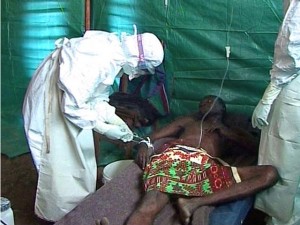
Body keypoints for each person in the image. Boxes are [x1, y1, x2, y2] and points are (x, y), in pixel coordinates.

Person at [22, 29, 164, 222]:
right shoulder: (99, 57)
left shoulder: (113, 55)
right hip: (53, 103)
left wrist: (112, 117)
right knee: (59, 161)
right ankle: (58, 215)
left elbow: (94, 97)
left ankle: (76, 207)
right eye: (144, 68)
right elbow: (73, 107)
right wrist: (105, 128)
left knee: (80, 157)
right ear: (139, 59)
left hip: (69, 102)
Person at [100, 95, 279, 225]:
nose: (204, 103)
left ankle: (194, 203)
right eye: (202, 102)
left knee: (270, 174)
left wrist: (227, 132)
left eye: (210, 101)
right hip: (175, 158)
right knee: (149, 206)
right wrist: (145, 146)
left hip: (206, 167)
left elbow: (256, 149)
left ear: (222, 108)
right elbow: (153, 136)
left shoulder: (230, 129)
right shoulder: (188, 121)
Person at [251, 1, 300, 225]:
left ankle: (282, 220)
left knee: (285, 161)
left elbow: (292, 49)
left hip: (294, 87)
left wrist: (268, 96)